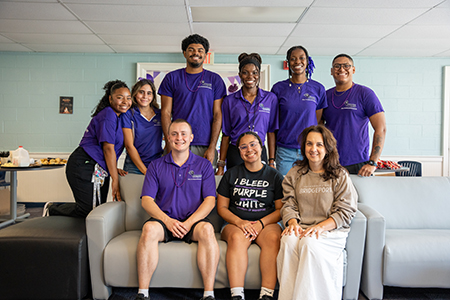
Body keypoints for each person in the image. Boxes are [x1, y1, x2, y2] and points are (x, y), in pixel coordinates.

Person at [135, 119, 219, 300]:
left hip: (192, 222)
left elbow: (210, 201)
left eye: (183, 134)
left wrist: (188, 224)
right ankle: (143, 293)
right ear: (167, 138)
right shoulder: (155, 166)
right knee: (148, 229)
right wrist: (168, 221)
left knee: (207, 229)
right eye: (174, 134)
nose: (178, 138)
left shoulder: (204, 166)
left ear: (191, 138)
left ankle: (209, 294)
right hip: (164, 221)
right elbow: (147, 201)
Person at [276, 125, 357, 300]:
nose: (313, 149)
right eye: (309, 144)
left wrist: (320, 227)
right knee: (288, 241)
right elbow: (288, 203)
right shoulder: (295, 173)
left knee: (309, 243)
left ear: (328, 148)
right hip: (301, 227)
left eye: (319, 145)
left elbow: (346, 210)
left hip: (330, 231)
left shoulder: (339, 175)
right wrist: (293, 223)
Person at [45, 80, 132, 217]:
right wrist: (115, 178)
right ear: (110, 98)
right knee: (89, 210)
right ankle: (53, 209)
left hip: (98, 167)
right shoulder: (108, 114)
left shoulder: (119, 117)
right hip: (84, 164)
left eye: (128, 98)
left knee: (97, 210)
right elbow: (108, 148)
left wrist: (113, 169)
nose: (125, 101)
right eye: (120, 97)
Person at [217, 131, 284, 300]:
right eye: (243, 146)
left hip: (266, 223)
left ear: (261, 147)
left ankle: (266, 295)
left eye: (253, 144)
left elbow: (280, 210)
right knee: (237, 239)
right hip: (235, 223)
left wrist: (260, 223)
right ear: (239, 151)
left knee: (274, 239)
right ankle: (237, 295)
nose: (249, 149)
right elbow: (222, 208)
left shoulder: (274, 175)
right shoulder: (231, 174)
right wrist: (241, 222)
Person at [159, 34, 226, 168]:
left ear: (206, 54)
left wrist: (213, 147)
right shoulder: (171, 78)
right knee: (174, 185)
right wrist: (169, 142)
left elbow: (218, 115)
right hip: (178, 142)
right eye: (191, 49)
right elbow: (165, 113)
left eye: (200, 50)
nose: (196, 53)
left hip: (205, 145)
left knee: (204, 187)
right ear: (184, 53)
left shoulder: (215, 80)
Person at [322, 53, 386, 177]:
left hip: (359, 165)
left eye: (346, 66)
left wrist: (373, 162)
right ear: (331, 71)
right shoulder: (325, 96)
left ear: (353, 69)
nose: (341, 69)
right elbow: (319, 128)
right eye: (337, 66)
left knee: (360, 197)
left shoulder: (365, 94)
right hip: (331, 164)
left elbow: (381, 128)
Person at [216, 53, 278, 175]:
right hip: (236, 151)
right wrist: (221, 165)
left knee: (259, 189)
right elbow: (226, 135)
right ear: (240, 75)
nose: (250, 76)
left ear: (259, 74)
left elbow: (271, 132)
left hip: (259, 151)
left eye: (255, 72)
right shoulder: (229, 101)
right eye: (245, 72)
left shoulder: (270, 99)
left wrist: (271, 161)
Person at [271, 46, 327, 175]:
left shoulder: (318, 88)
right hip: (285, 151)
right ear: (288, 63)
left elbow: (317, 121)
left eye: (301, 58)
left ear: (307, 61)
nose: (297, 62)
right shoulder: (278, 88)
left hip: (310, 150)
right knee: (285, 190)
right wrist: (272, 159)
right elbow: (273, 124)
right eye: (293, 59)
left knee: (308, 190)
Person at [120, 79, 163, 175]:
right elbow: (129, 146)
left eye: (149, 93)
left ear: (153, 96)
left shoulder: (160, 114)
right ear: (135, 94)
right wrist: (145, 171)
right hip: (133, 165)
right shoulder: (128, 114)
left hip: (156, 165)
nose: (145, 96)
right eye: (141, 92)